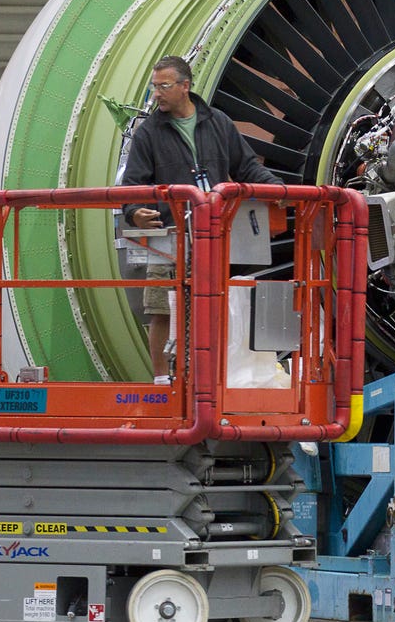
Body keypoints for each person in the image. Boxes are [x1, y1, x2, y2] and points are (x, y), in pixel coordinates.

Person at [120, 55, 282, 384]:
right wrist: (135, 211)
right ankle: (162, 379)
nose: (157, 94)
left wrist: (276, 188)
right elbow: (132, 185)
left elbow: (246, 166)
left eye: (163, 86)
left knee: (214, 303)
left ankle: (211, 376)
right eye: (154, 87)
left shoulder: (218, 123)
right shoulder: (148, 133)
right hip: (169, 235)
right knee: (161, 308)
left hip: (212, 235)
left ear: (185, 86)